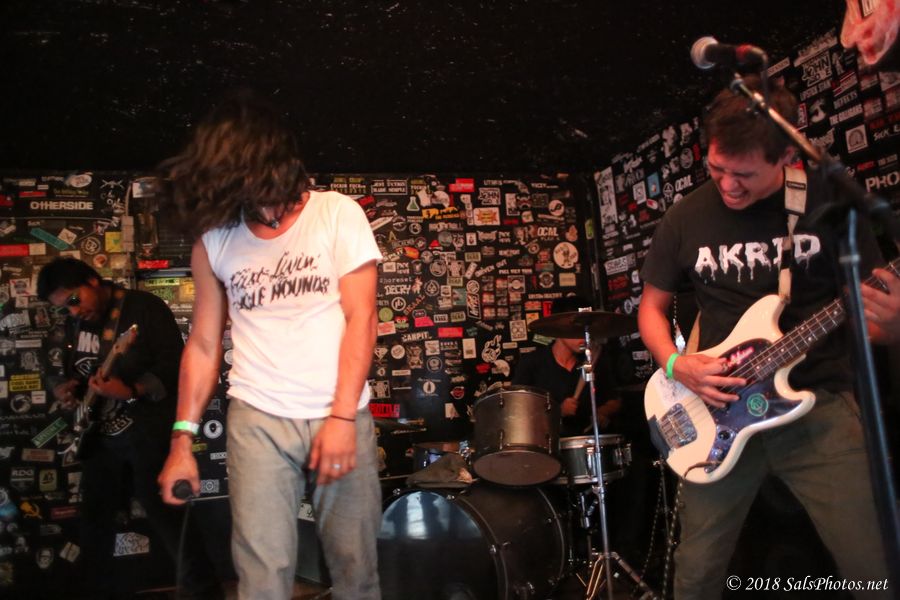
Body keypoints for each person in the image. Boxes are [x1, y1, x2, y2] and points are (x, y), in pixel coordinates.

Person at [637, 75, 890, 599]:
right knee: (696, 573)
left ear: (786, 157)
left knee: (873, 565)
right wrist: (676, 365)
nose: (728, 186)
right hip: (717, 414)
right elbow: (651, 309)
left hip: (817, 407)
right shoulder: (685, 217)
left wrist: (895, 320)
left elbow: (875, 322)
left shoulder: (831, 205)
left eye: (745, 174)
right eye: (716, 168)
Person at [157, 90, 382, 600]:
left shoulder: (337, 213)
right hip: (257, 417)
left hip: (339, 409)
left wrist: (341, 418)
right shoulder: (215, 238)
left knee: (355, 570)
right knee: (262, 575)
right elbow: (203, 344)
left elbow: (362, 318)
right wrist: (181, 441)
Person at [38, 257, 221, 600]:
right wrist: (66, 387)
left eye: (74, 300)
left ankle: (204, 593)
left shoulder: (143, 308)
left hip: (147, 438)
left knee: (170, 520)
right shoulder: (75, 324)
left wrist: (132, 389)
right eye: (65, 307)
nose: (73, 311)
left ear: (93, 280)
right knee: (94, 525)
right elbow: (70, 369)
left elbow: (175, 365)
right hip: (100, 440)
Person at [512, 295, 621, 438]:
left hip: (588, 440)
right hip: (547, 443)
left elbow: (614, 399)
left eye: (587, 330)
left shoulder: (594, 359)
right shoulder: (531, 363)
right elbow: (516, 411)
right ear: (559, 327)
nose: (584, 336)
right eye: (577, 329)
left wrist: (602, 412)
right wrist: (557, 411)